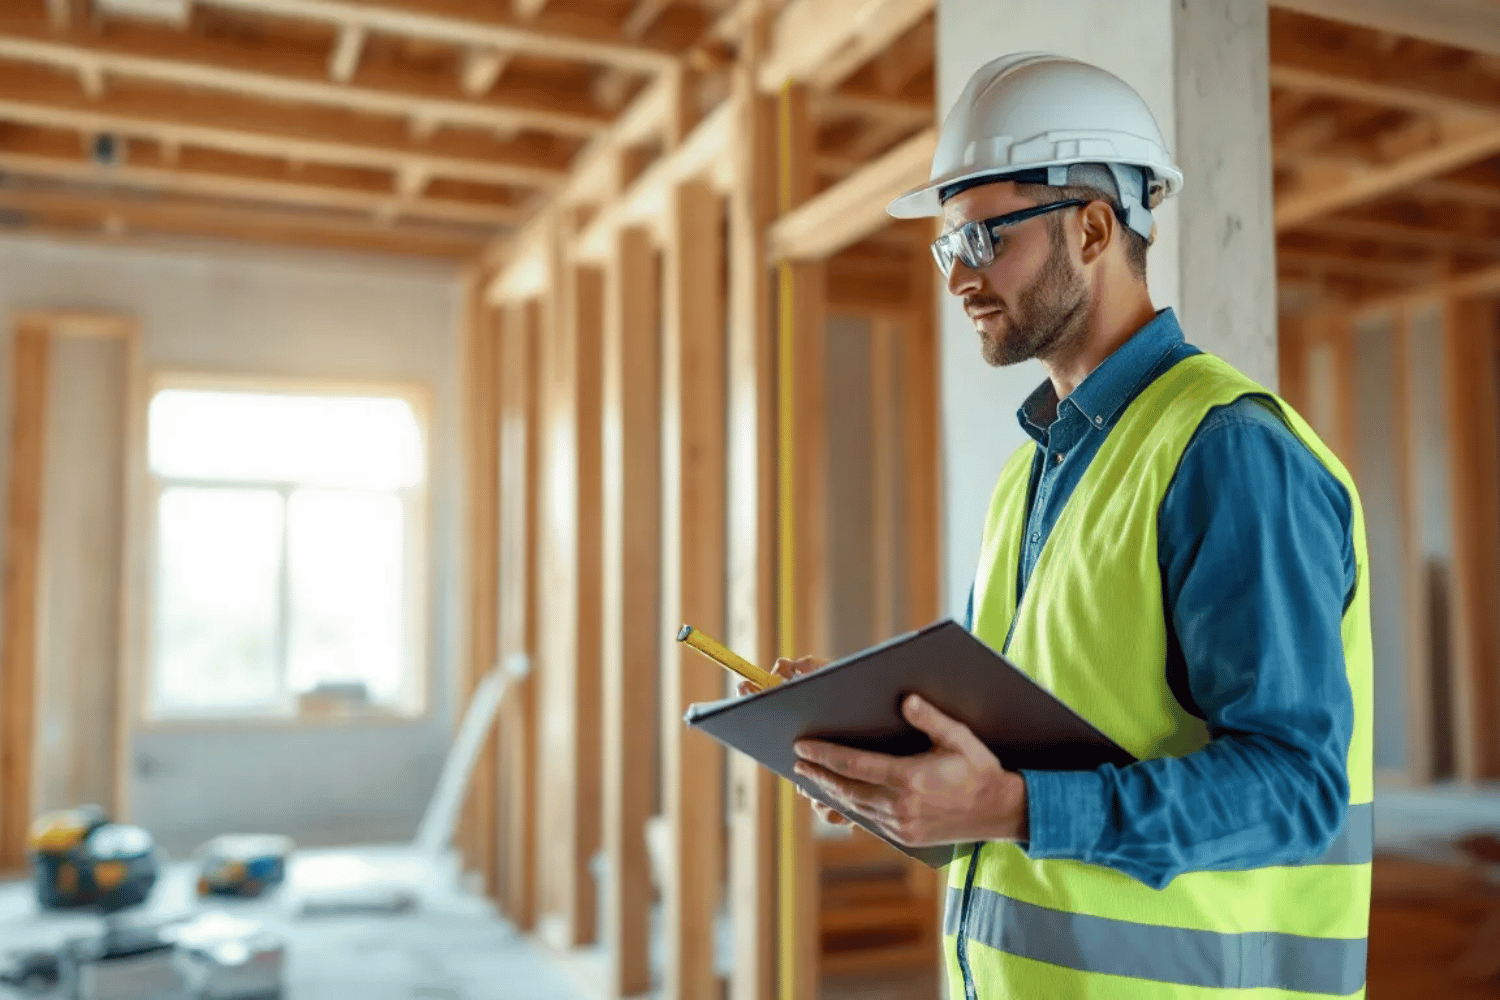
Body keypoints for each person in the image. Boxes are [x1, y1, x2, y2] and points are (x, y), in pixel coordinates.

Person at [737, 53, 1372, 999]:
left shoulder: (1228, 452)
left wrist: (1011, 806)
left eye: (983, 239)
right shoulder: (1030, 475)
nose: (960, 278)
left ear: (1093, 227)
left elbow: (1296, 791)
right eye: (947, 249)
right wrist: (900, 772)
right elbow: (1022, 766)